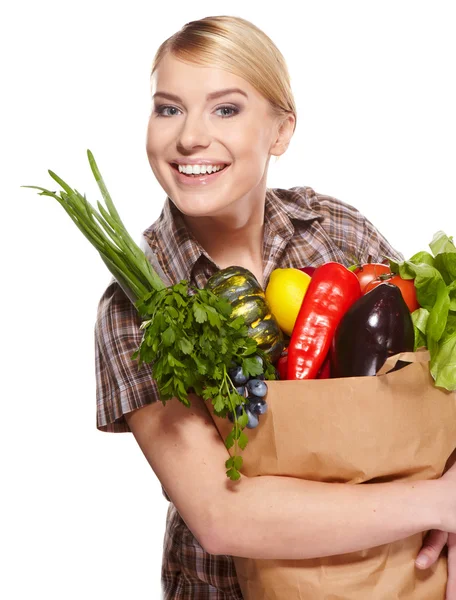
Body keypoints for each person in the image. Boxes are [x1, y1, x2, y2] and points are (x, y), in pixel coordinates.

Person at [94, 15, 456, 599]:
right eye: (168, 108)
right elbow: (220, 515)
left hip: (391, 577)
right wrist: (439, 504)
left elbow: (436, 378)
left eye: (226, 109)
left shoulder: (337, 232)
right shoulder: (138, 303)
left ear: (281, 130)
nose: (189, 137)